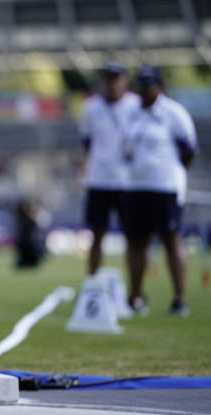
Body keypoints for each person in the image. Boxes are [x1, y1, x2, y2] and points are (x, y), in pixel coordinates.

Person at [123, 65, 199, 317]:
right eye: (141, 85)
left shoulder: (174, 113)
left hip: (165, 187)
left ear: (159, 86)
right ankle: (135, 298)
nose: (144, 91)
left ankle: (179, 299)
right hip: (135, 186)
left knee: (170, 238)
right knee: (136, 241)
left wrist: (171, 171)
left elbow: (189, 149)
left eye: (149, 85)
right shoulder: (131, 113)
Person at [79, 61, 140, 275]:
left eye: (117, 79)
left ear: (124, 81)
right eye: (109, 79)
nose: (112, 84)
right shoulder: (90, 107)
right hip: (99, 179)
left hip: (128, 180)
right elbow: (86, 142)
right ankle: (92, 284)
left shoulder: (136, 104)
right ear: (102, 81)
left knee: (133, 237)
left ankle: (136, 293)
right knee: (97, 234)